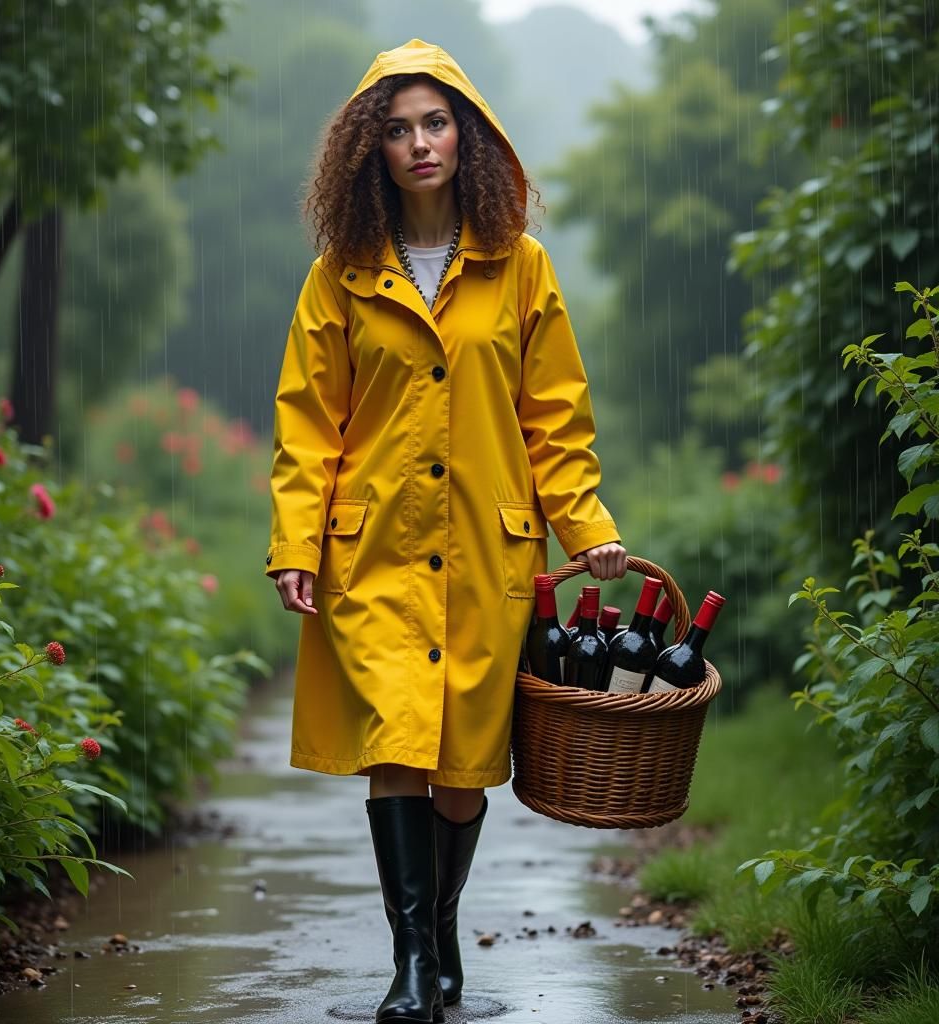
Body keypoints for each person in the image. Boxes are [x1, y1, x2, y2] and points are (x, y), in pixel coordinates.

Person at [265, 38, 627, 1024]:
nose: (418, 142)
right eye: (395, 128)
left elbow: (553, 417)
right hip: (371, 550)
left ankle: (438, 928)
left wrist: (584, 525)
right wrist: (297, 542)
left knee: (464, 769)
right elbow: (308, 419)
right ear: (367, 150)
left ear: (465, 137)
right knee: (397, 744)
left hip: (484, 552)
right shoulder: (339, 276)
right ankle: (412, 964)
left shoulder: (521, 269)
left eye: (434, 122)